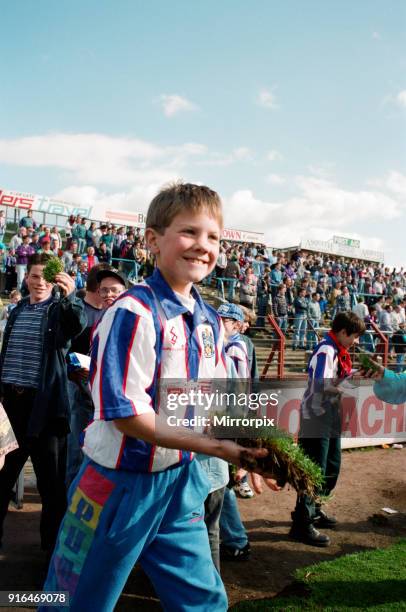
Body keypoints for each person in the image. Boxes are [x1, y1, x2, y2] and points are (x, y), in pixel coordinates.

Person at [41, 182, 269, 611]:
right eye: (189, 232)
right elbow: (128, 415)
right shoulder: (132, 312)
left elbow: (219, 401)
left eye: (213, 236)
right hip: (116, 487)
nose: (203, 245)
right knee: (71, 602)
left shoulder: (208, 319)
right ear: (152, 240)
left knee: (203, 601)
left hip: (180, 483)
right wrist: (213, 447)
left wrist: (260, 446)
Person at [0, 253, 86, 553]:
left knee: (51, 489)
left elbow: (77, 324)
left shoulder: (60, 311)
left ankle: (51, 558)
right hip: (11, 407)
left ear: (56, 280)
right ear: (26, 278)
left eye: (46, 277)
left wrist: (72, 295)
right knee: (1, 480)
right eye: (34, 276)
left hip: (46, 410)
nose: (39, 282)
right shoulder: (18, 309)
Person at [290, 311, 366, 547]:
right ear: (343, 332)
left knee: (331, 465)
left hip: (330, 414)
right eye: (354, 336)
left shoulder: (338, 351)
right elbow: (321, 384)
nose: (356, 342)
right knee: (313, 470)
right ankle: (301, 524)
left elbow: (336, 379)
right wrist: (346, 386)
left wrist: (356, 375)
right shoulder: (326, 350)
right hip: (316, 417)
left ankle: (316, 509)